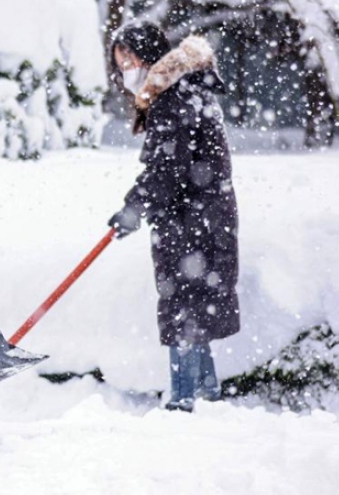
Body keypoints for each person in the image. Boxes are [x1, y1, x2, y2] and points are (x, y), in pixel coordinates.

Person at [106, 22, 240, 412]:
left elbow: (167, 168)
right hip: (201, 215)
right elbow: (172, 166)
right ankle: (207, 393)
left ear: (148, 55)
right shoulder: (185, 89)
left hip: (191, 219)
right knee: (195, 306)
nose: (125, 68)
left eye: (129, 59)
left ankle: (183, 400)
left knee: (184, 306)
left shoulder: (173, 95)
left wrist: (134, 208)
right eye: (120, 62)